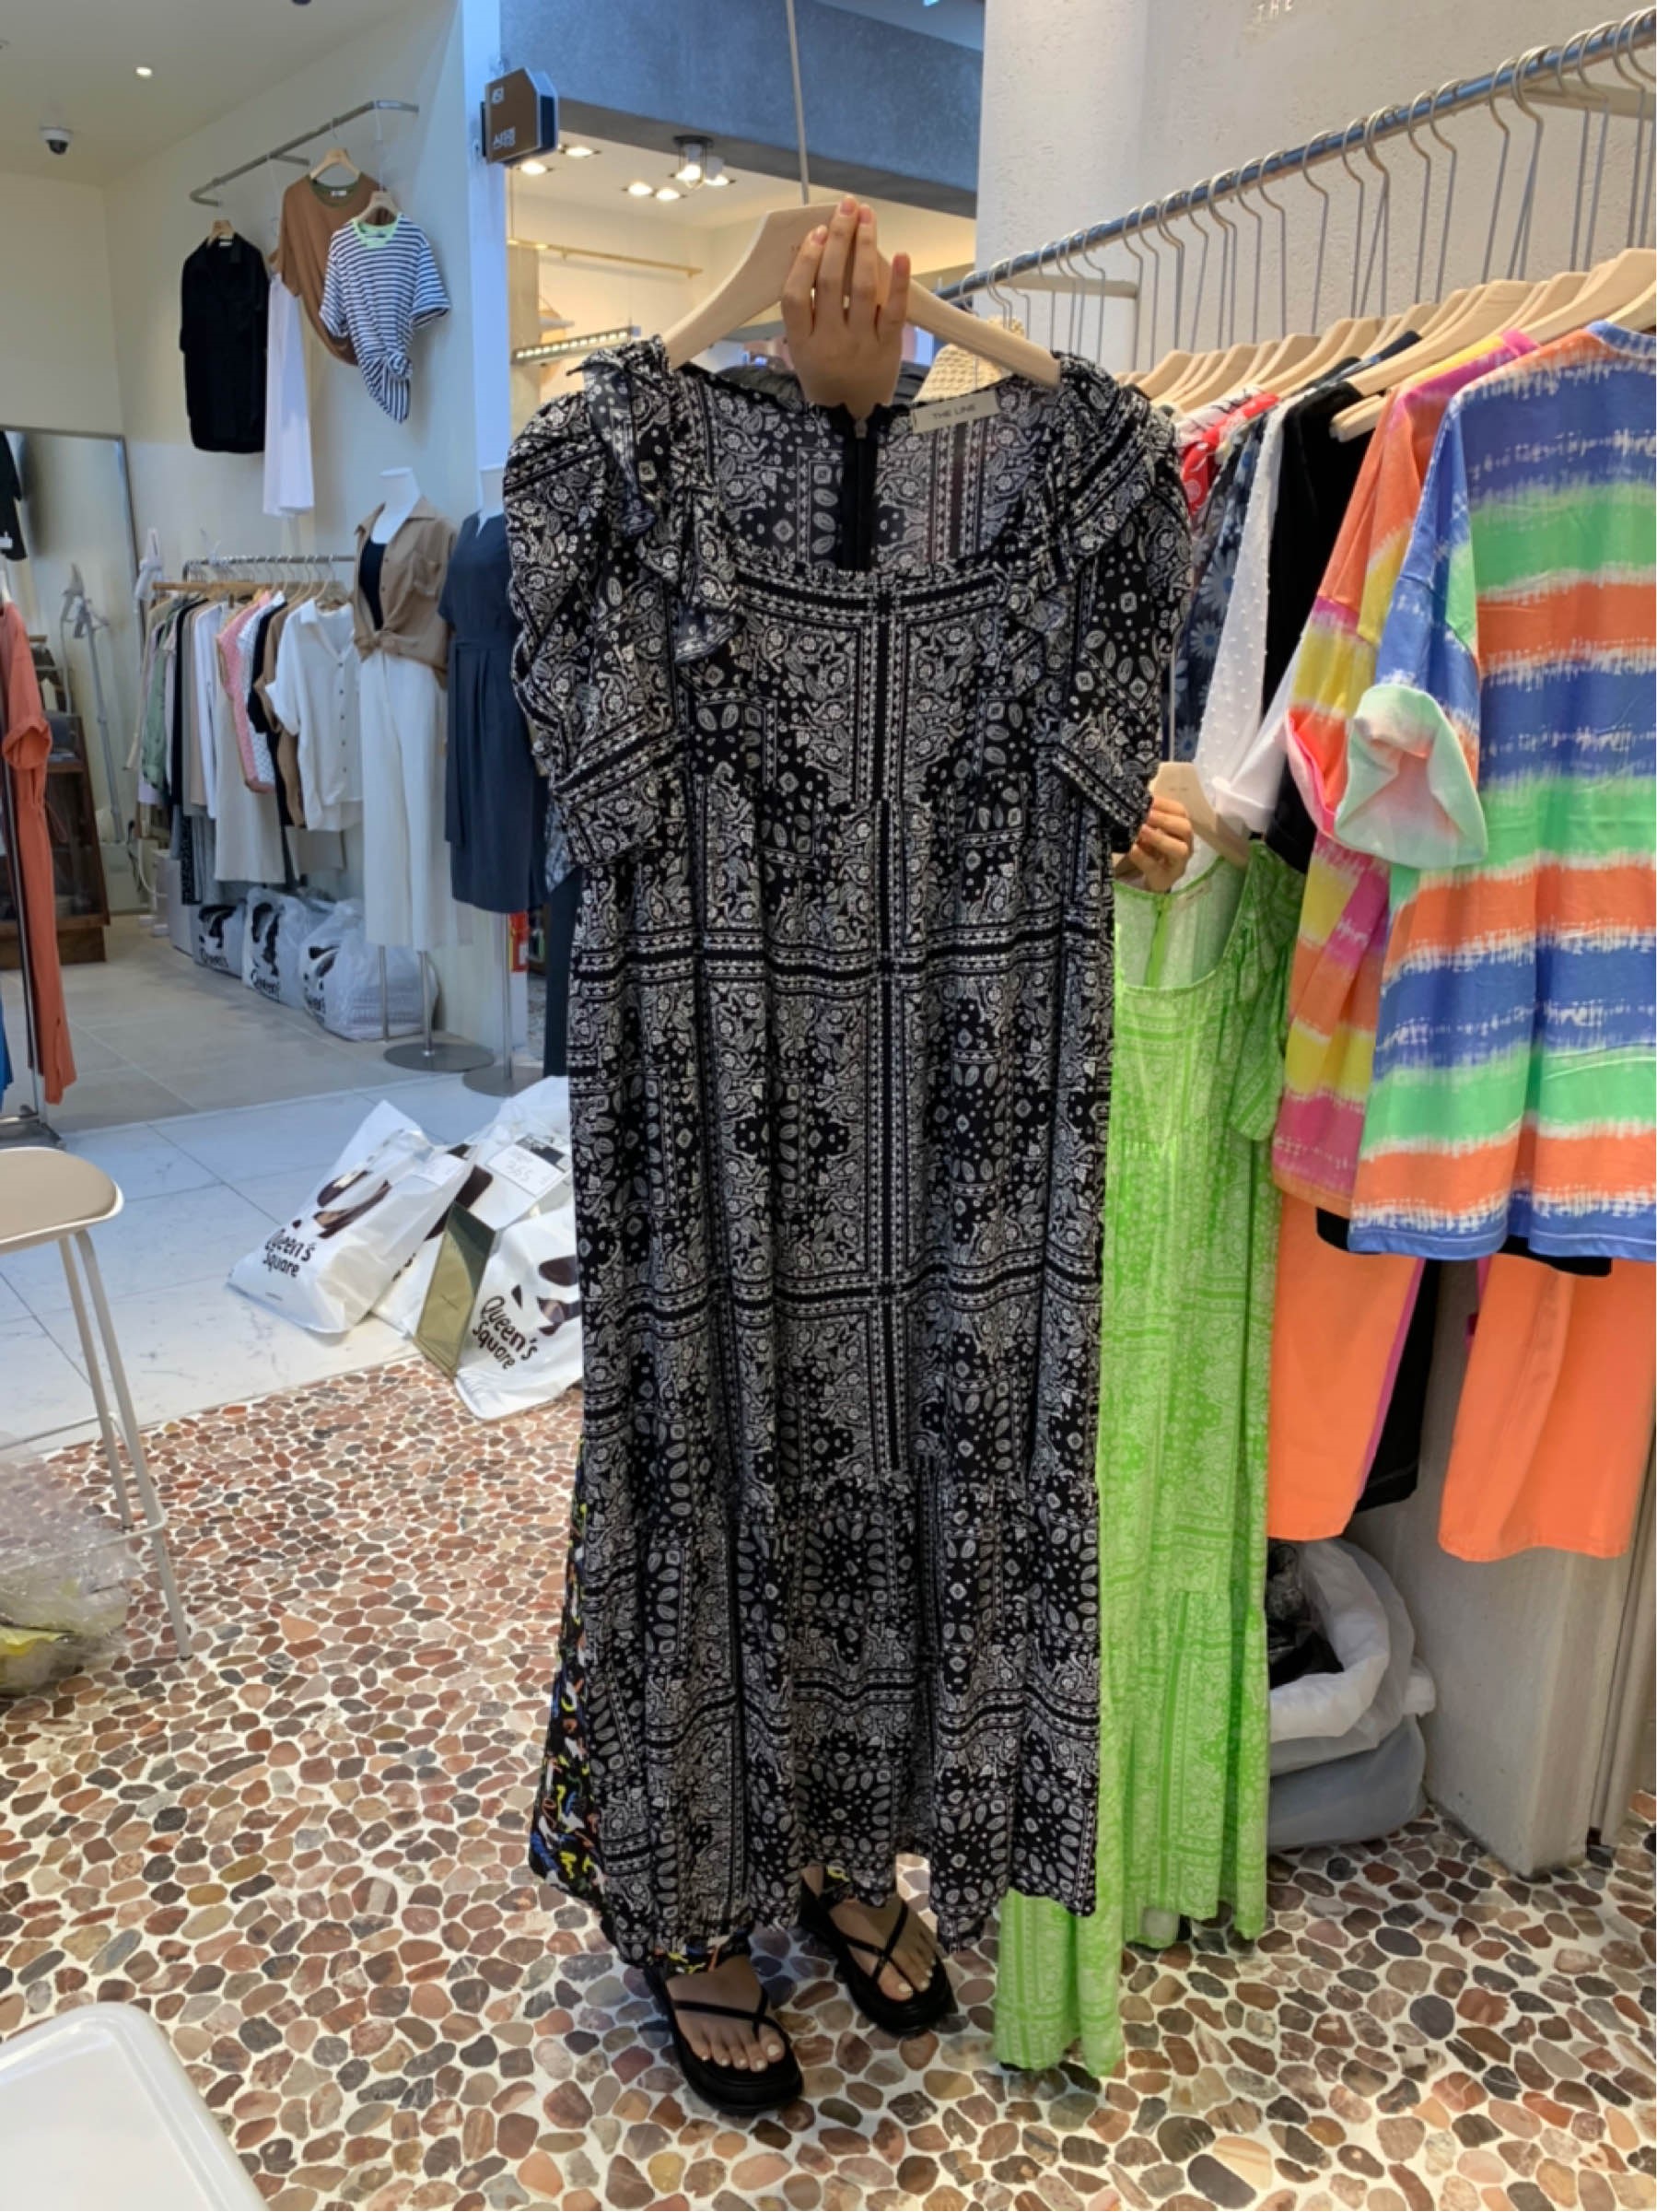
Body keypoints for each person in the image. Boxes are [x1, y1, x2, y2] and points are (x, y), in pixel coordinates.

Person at [526, 200, 1195, 2101]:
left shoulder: (1095, 500)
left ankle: (833, 1847)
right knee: (712, 1440)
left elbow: (1127, 700)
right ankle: (692, 1903)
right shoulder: (608, 484)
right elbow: (585, 719)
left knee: (924, 1431)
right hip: (716, 1093)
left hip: (965, 1118)